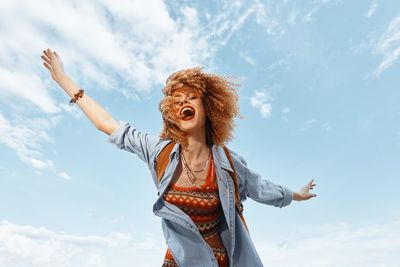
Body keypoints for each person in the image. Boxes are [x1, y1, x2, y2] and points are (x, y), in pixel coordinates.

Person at [41, 48, 317, 267]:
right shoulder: (158, 151)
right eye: (177, 100)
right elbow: (107, 124)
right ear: (171, 113)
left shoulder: (229, 163)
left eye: (191, 97)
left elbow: (264, 189)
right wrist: (63, 80)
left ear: (208, 107)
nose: (183, 102)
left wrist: (297, 195)